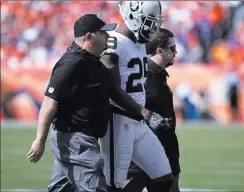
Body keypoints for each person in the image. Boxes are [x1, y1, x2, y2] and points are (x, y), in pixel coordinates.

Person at [26, 14, 168, 192]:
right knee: (95, 188)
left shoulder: (93, 61)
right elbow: (49, 102)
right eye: (103, 33)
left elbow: (114, 91)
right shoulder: (71, 64)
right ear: (89, 37)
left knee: (60, 190)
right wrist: (39, 140)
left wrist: (146, 114)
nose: (108, 37)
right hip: (75, 140)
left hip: (82, 138)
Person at [100, 2, 174, 192]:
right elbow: (111, 89)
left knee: (164, 177)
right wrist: (145, 113)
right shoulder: (112, 42)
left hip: (138, 123)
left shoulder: (138, 42)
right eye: (149, 23)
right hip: (118, 122)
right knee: (114, 186)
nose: (152, 29)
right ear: (133, 15)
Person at [123, 28, 181, 192]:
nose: (176, 52)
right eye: (172, 48)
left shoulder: (157, 74)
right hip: (145, 153)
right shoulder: (144, 75)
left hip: (164, 149)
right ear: (160, 50)